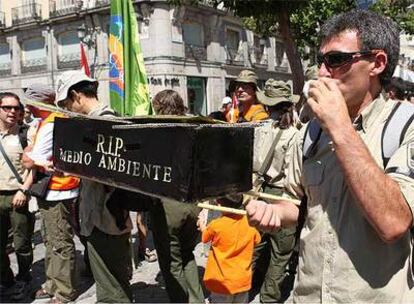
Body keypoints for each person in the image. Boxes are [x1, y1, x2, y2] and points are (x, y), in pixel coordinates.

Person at [246, 9, 414, 302]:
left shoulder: (404, 126)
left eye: (336, 60)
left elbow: (393, 223)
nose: (323, 72)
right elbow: (298, 204)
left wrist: (339, 125)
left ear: (377, 63)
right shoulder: (312, 132)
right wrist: (273, 212)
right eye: (321, 61)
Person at [55, 70, 133, 303]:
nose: (66, 109)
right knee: (111, 283)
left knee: (111, 288)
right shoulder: (92, 122)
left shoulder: (104, 122)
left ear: (77, 95)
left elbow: (112, 172)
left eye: (66, 102)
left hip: (106, 218)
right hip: (98, 216)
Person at [24, 84, 80, 303]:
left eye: (29, 101)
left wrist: (30, 157)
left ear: (37, 102)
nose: (27, 106)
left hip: (58, 190)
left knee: (59, 242)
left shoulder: (51, 124)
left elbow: (30, 158)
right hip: (52, 190)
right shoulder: (48, 121)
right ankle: (52, 283)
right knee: (50, 240)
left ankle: (64, 292)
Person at [149, 89, 205, 303]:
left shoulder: (156, 132)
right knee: (187, 253)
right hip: (192, 202)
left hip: (168, 205)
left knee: (171, 261)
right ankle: (196, 300)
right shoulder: (195, 128)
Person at [251, 79, 299, 302]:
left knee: (256, 246)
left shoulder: (260, 129)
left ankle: (245, 285)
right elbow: (292, 175)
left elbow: (254, 163)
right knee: (280, 255)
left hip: (260, 192)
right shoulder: (295, 135)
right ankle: (269, 298)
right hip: (283, 197)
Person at [0, 92, 35, 301]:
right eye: (7, 108)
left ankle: (24, 279)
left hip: (17, 196)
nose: (13, 111)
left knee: (22, 244)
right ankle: (7, 281)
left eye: (16, 108)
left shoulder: (25, 134)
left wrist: (24, 189)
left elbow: (33, 168)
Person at [200, 195, 261, 303]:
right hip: (242, 280)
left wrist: (201, 224)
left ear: (219, 204)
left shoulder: (216, 225)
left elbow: (204, 238)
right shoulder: (249, 222)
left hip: (222, 281)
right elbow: (257, 240)